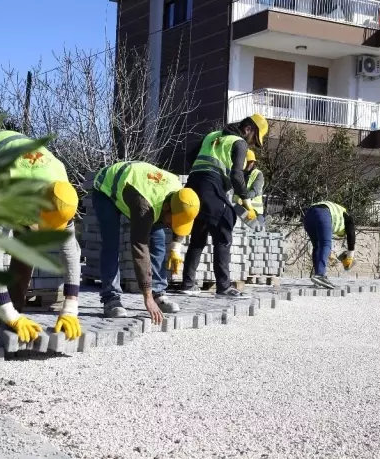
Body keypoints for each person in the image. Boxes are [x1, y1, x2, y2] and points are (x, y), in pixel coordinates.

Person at [0, 130, 82, 343]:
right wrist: (10, 315)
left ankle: (7, 319)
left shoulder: (61, 189)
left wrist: (71, 307)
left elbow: (71, 251)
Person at [92, 161, 200, 323]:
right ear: (167, 209)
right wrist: (146, 296)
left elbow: (182, 220)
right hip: (107, 188)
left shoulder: (180, 195)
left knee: (159, 240)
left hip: (142, 190)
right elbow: (139, 248)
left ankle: (159, 293)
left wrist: (176, 247)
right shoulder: (144, 206)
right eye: (173, 222)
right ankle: (111, 298)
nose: (172, 226)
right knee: (111, 242)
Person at [179, 114, 269, 297]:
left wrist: (203, 173)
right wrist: (245, 201)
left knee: (199, 234)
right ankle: (224, 287)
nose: (251, 144)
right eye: (254, 140)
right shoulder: (239, 142)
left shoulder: (212, 136)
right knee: (225, 225)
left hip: (193, 184)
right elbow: (237, 175)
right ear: (248, 129)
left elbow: (189, 156)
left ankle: (188, 284)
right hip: (210, 185)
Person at [303, 201, 355, 289]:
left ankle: (317, 276)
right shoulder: (348, 217)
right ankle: (320, 275)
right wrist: (350, 255)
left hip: (308, 216)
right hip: (323, 213)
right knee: (325, 244)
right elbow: (351, 233)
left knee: (318, 246)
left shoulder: (338, 212)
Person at [232, 149, 265, 227]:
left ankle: (262, 224)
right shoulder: (239, 174)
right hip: (241, 207)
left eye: (251, 162)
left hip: (256, 210)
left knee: (259, 229)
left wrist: (244, 198)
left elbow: (255, 191)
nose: (248, 164)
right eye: (247, 162)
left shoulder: (258, 174)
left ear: (254, 163)